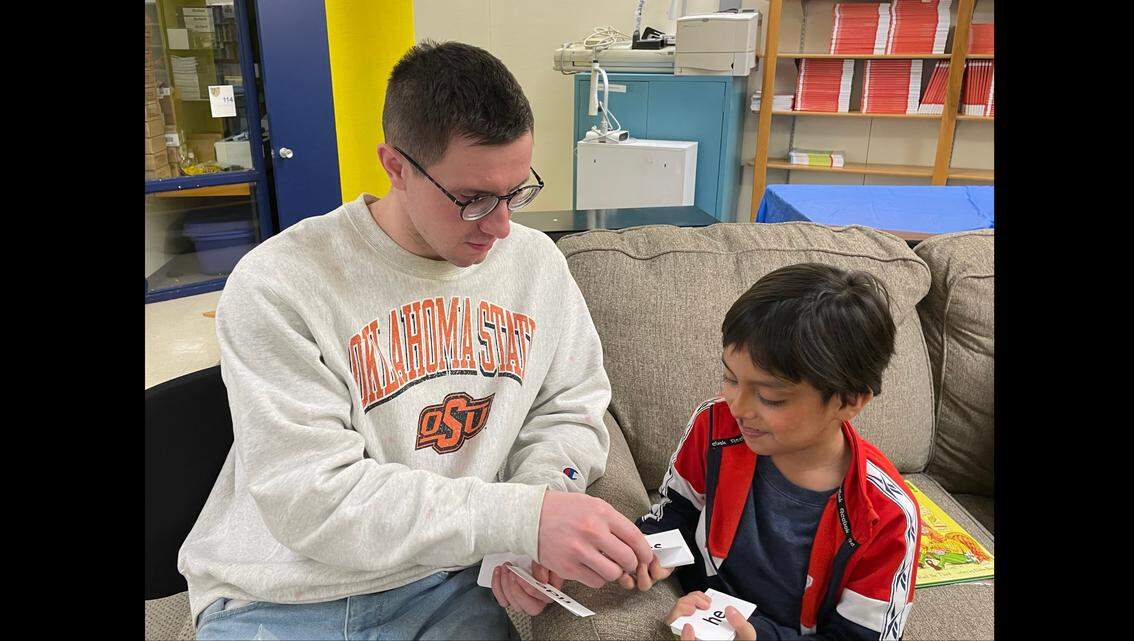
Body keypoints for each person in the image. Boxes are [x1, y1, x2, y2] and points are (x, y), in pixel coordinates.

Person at [178, 40, 653, 640]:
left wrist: (544, 498)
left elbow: (568, 406)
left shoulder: (536, 266)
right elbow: (314, 499)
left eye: (516, 192)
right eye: (474, 199)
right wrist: (522, 517)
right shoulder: (281, 283)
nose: (503, 227)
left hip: (439, 587)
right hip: (277, 595)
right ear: (396, 166)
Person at [619, 263, 922, 640]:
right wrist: (649, 552)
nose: (738, 406)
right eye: (730, 377)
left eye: (771, 397)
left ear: (850, 401)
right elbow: (678, 510)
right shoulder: (715, 427)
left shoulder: (886, 515)